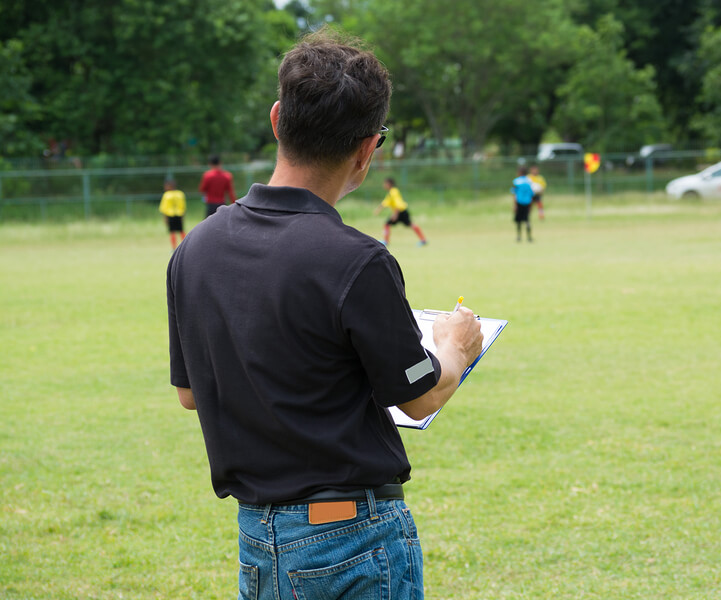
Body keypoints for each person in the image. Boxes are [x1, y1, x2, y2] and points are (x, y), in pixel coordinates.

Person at [166, 29, 483, 600]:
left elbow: (191, 394)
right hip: (353, 537)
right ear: (367, 149)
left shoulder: (196, 247)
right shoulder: (356, 259)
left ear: (277, 119)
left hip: (258, 537)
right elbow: (419, 394)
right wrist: (457, 345)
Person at [374, 177, 428, 246]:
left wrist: (395, 214)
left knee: (388, 224)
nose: (383, 185)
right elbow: (385, 203)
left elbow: (398, 204)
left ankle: (385, 241)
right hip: (400, 211)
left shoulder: (394, 192)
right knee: (408, 224)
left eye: (385, 183)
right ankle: (423, 240)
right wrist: (378, 210)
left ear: (389, 184)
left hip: (401, 211)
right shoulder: (391, 192)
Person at [158, 178, 186, 249]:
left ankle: (174, 248)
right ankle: (185, 246)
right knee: (181, 231)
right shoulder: (180, 194)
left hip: (170, 215)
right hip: (179, 214)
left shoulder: (166, 195)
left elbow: (164, 208)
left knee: (172, 232)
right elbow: (183, 206)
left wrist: (165, 218)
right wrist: (183, 215)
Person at [511, 166, 535, 242]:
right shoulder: (529, 181)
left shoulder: (516, 181)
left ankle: (519, 237)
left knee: (519, 221)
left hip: (519, 203)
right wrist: (531, 205)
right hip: (527, 203)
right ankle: (529, 237)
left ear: (520, 173)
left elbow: (514, 194)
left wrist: (514, 205)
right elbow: (531, 194)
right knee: (527, 220)